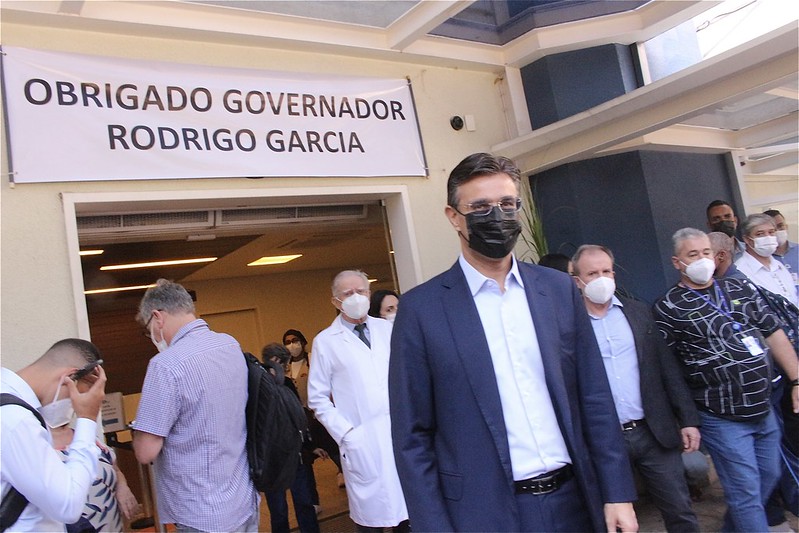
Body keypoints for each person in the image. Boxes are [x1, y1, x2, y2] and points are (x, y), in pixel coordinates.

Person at [389, 152, 638, 532]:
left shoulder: (558, 290)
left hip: (574, 502)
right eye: (481, 207)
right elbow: (413, 436)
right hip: (483, 514)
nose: (497, 216)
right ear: (454, 216)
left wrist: (617, 492)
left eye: (507, 204)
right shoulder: (422, 310)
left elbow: (594, 397)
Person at [653, 228, 799, 532]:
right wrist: (685, 418)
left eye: (706, 252)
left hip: (762, 406)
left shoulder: (738, 288)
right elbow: (668, 369)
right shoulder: (668, 307)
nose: (702, 259)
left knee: (767, 478)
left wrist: (797, 379)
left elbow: (773, 332)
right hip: (721, 415)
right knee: (745, 492)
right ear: (677, 262)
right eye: (693, 254)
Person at [571, 244, 701, 532]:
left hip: (651, 431)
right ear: (577, 280)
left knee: (680, 509)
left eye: (606, 271)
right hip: (603, 439)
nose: (601, 278)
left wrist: (688, 420)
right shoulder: (568, 322)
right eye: (592, 274)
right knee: (612, 519)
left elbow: (667, 369)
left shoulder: (639, 312)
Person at [132, 279, 259, 533]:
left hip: (200, 510)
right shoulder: (230, 345)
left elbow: (146, 451)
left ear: (157, 317)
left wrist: (141, 426)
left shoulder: (165, 365)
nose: (151, 337)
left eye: (148, 329)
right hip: (243, 497)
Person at [307, 270, 409, 533]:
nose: (356, 297)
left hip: (399, 436)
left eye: (361, 291)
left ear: (369, 293)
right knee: (370, 522)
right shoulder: (325, 342)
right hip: (361, 441)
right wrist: (347, 434)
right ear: (336, 301)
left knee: (408, 518)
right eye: (348, 293)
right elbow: (317, 398)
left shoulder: (387, 329)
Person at [1, 338, 107, 532]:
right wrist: (87, 418)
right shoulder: (16, 420)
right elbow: (68, 505)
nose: (72, 411)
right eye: (74, 401)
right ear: (69, 377)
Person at [261, 343, 322, 533]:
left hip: (293, 454)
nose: (286, 368)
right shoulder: (258, 385)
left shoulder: (286, 384)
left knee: (303, 503)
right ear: (275, 361)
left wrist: (309, 445)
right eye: (284, 364)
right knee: (279, 510)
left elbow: (298, 417)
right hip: (271, 458)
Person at [50, 424, 142, 532]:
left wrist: (122, 486)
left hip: (112, 524)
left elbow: (115, 469)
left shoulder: (88, 438)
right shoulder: (39, 449)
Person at [735, 213, 798, 306]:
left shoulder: (779, 266)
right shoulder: (740, 271)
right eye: (760, 234)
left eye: (771, 232)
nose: (768, 237)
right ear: (747, 239)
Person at [764, 209, 799, 276]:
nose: (777, 230)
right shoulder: (762, 258)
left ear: (786, 227)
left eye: (780, 226)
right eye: (772, 229)